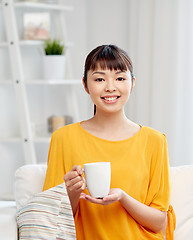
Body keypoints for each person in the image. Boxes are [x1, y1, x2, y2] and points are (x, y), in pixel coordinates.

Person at [43, 44, 175, 239]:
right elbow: (51, 221)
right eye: (99, 79)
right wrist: (72, 192)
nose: (110, 87)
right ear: (85, 85)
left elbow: (158, 222)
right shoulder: (63, 138)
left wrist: (123, 198)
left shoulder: (155, 141)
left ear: (132, 83)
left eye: (120, 78)